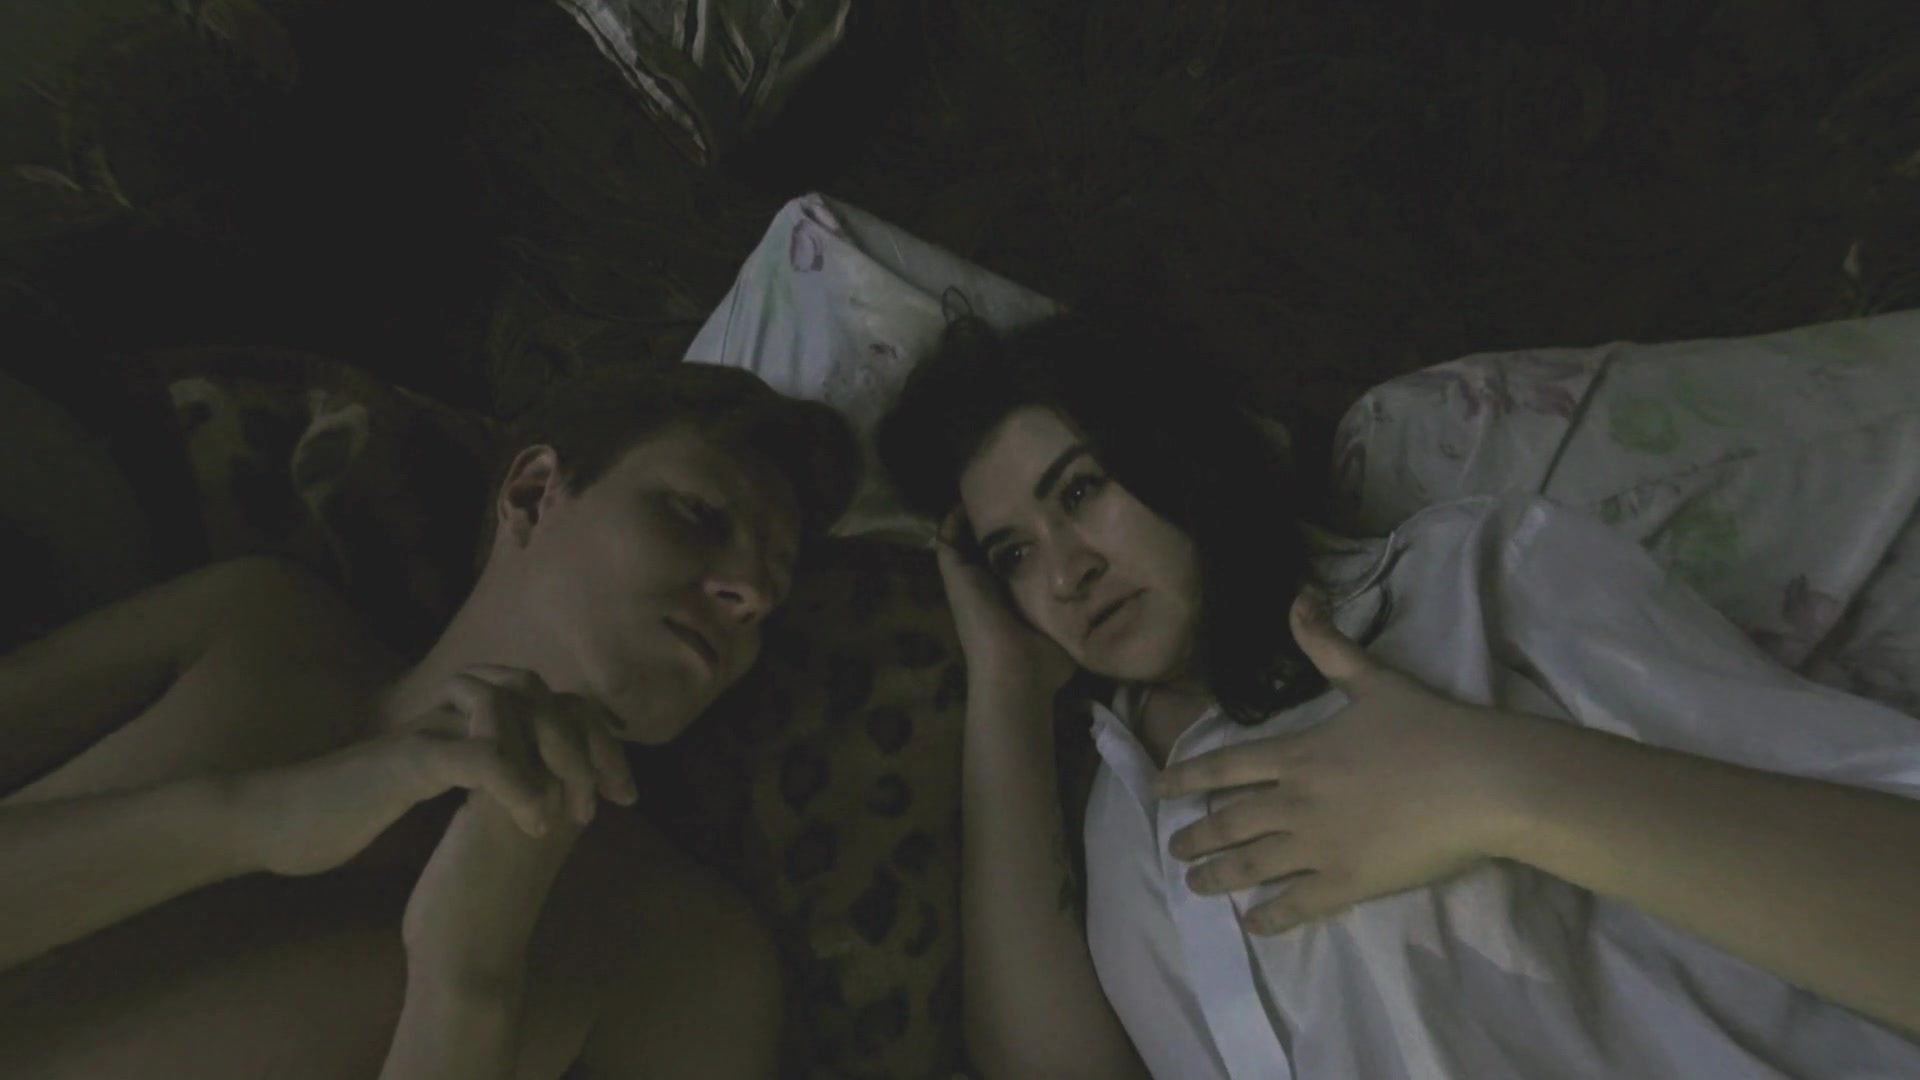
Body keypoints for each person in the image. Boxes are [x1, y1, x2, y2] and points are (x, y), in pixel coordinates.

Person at [875, 312, 1920, 1080]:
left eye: (1080, 490)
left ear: (1172, 450)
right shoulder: (1117, 817)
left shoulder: (1469, 588)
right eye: (1014, 555)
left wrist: (1495, 786)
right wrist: (1006, 689)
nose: (1064, 572)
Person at [0, 362, 860, 1080]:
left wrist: (469, 982)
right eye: (699, 515)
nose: (750, 592)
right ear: (532, 493)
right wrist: (254, 817)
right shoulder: (255, 625)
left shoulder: (690, 957)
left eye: (773, 589)